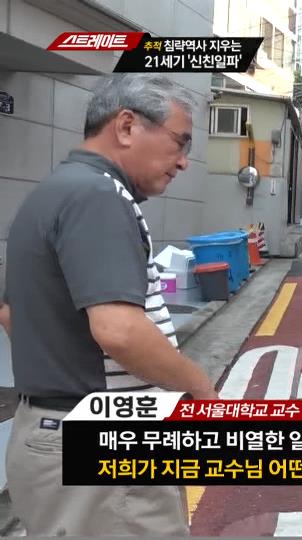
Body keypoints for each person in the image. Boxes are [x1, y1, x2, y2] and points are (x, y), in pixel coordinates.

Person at [2, 73, 219, 536]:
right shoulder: (99, 195)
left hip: (46, 432)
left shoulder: (52, 191)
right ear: (126, 126)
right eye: (180, 142)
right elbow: (119, 330)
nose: (183, 161)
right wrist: (199, 387)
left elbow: (10, 314)